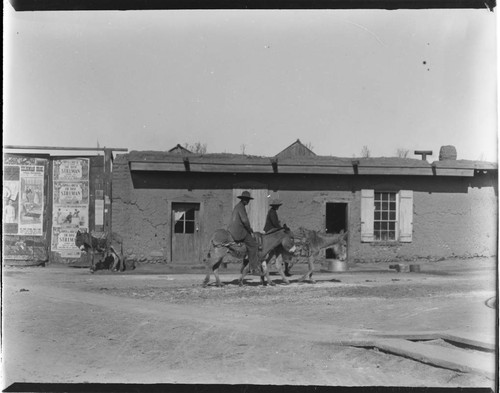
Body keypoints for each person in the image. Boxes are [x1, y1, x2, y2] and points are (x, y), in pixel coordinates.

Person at [228, 191, 259, 272]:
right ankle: (253, 267)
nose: (248, 201)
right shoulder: (241, 207)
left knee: (248, 245)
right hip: (238, 231)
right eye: (247, 200)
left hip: (234, 229)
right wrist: (250, 229)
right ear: (243, 200)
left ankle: (244, 265)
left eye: (248, 200)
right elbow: (245, 221)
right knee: (253, 246)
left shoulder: (238, 206)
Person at [264, 199, 292, 277]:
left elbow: (276, 223)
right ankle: (285, 269)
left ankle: (286, 269)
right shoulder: (272, 212)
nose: (278, 207)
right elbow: (275, 223)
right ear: (275, 206)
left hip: (272, 230)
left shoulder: (272, 212)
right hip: (271, 230)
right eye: (277, 206)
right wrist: (282, 228)